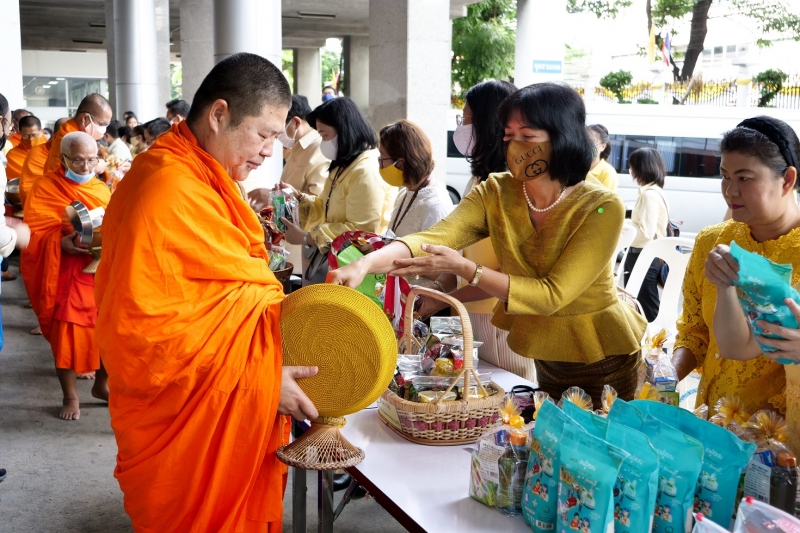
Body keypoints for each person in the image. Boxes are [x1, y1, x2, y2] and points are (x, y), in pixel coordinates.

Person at [94, 52, 318, 532]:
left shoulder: (200, 173)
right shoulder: (166, 187)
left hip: (223, 399)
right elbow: (149, 339)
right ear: (219, 115)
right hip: (186, 413)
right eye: (262, 135)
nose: (266, 153)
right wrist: (260, 380)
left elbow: (235, 291)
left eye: (275, 140)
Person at [330, 83, 647, 405]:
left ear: (561, 137)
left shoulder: (601, 205)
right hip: (545, 351)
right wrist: (365, 264)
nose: (515, 147)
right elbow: (435, 238)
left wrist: (466, 268)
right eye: (509, 136)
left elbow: (552, 295)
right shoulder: (497, 191)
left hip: (603, 353)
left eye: (528, 136)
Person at [673, 116, 800, 428]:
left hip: (778, 440)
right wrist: (663, 375)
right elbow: (694, 331)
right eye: (725, 176)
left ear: (786, 180)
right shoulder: (711, 242)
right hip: (712, 424)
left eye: (745, 178)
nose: (730, 190)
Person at [436, 80, 537, 380]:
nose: (461, 126)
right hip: (470, 314)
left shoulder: (517, 188)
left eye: (466, 119)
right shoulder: (480, 181)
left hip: (500, 320)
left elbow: (508, 273)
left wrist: (444, 296)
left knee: (508, 407)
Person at [21, 131, 111, 420]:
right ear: (63, 159)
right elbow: (33, 233)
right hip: (64, 272)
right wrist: (60, 243)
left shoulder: (101, 188)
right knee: (67, 337)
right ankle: (70, 396)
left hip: (99, 271)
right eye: (78, 161)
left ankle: (102, 384)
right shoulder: (46, 187)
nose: (86, 168)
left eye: (91, 160)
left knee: (108, 334)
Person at [273, 97, 395, 286]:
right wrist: (298, 197)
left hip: (359, 271)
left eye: (325, 135)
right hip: (336, 264)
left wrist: (307, 237)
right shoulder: (342, 165)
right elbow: (323, 206)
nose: (323, 142)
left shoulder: (366, 169)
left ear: (344, 131)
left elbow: (360, 230)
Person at [378, 119, 455, 291]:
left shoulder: (434, 205)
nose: (380, 165)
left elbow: (442, 271)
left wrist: (394, 260)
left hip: (422, 300)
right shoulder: (406, 192)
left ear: (401, 163)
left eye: (382, 158)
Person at [623, 147, 670, 322]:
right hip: (649, 256)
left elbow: (645, 233)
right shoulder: (655, 191)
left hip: (643, 256)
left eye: (632, 166)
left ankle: (657, 347)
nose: (631, 171)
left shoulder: (649, 195)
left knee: (647, 310)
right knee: (642, 307)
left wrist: (625, 229)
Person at [42, 93, 112, 176]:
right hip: (61, 185)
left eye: (106, 124)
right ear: (85, 118)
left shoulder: (75, 131)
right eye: (101, 124)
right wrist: (97, 165)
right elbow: (77, 169)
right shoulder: (70, 137)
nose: (104, 129)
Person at [277, 95, 329, 200]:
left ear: (296, 122)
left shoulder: (320, 148)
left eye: (281, 129)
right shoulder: (297, 146)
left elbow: (319, 197)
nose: (279, 135)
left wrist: (285, 195)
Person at [19, 117, 68, 209]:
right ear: (55, 136)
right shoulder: (37, 153)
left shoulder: (80, 156)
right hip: (43, 206)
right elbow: (27, 188)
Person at [587, 124, 618, 192]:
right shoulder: (577, 168)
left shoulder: (608, 173)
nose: (587, 146)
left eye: (591, 142)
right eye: (585, 142)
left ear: (603, 147)